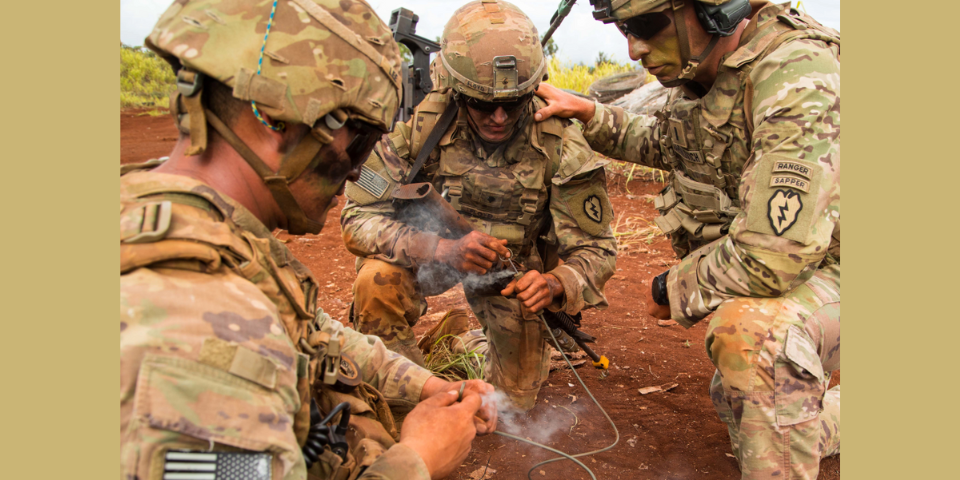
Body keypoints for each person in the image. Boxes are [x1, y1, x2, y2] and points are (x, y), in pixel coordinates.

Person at [119, 1, 497, 479]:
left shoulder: (199, 233)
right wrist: (417, 460)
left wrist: (423, 384)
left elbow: (313, 331)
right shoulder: (187, 332)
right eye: (356, 141)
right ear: (276, 117)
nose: (359, 169)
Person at [533, 0, 839, 478]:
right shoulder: (709, 71)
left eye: (648, 27)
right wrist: (589, 111)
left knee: (754, 339)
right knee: (747, 411)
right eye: (625, 30)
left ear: (716, 8)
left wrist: (670, 287)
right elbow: (669, 142)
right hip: (809, 261)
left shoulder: (796, 70)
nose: (634, 49)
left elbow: (773, 253)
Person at [340, 0, 617, 411]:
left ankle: (460, 339)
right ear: (456, 91)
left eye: (516, 102)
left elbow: (598, 249)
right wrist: (441, 249)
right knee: (376, 282)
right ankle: (413, 396)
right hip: (434, 257)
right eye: (483, 104)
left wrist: (556, 283)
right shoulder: (423, 124)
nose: (500, 118)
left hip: (510, 274)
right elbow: (357, 216)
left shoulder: (561, 144)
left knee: (512, 407)